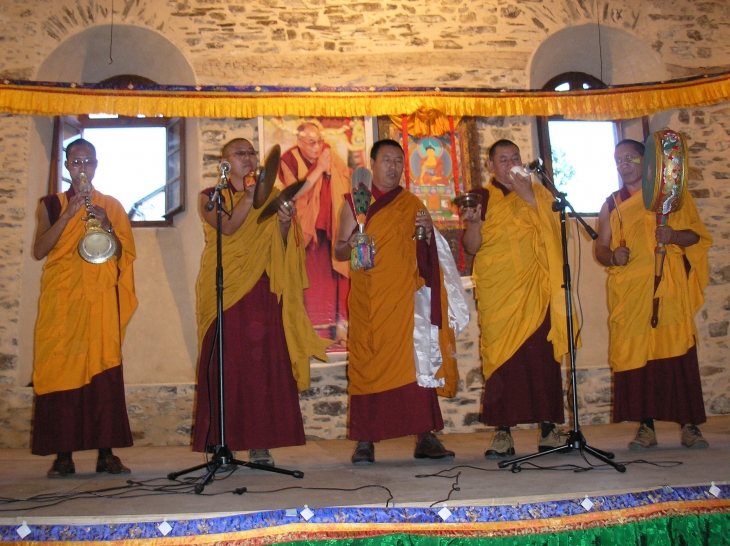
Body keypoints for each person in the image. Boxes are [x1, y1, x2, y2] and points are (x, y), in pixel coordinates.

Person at [193, 138, 329, 467]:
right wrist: (252, 196)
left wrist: (283, 224)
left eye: (252, 153)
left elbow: (283, 246)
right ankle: (220, 440)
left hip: (261, 288)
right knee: (225, 366)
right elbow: (227, 228)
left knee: (260, 368)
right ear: (224, 163)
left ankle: (260, 443)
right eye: (240, 154)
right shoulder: (211, 197)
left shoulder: (270, 196)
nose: (249, 158)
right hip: (225, 290)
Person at [334, 139, 462, 465]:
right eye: (386, 160)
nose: (393, 167)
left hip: (405, 301)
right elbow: (337, 250)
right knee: (366, 364)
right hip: (368, 300)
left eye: (398, 161)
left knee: (415, 363)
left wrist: (429, 232)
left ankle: (426, 437)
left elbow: (424, 250)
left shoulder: (412, 203)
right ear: (373, 164)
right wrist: (353, 242)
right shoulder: (354, 202)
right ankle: (365, 441)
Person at [595, 139, 712, 450]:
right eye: (618, 159)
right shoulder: (613, 203)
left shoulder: (671, 196)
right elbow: (600, 247)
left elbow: (695, 236)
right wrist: (612, 256)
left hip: (668, 286)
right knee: (638, 358)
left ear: (647, 163)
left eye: (630, 158)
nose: (623, 164)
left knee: (677, 353)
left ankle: (689, 427)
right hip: (632, 290)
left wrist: (673, 235)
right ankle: (645, 428)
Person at [460, 139, 573, 459]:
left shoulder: (539, 194)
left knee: (542, 357)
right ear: (491, 166)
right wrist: (473, 223)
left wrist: (527, 195)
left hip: (537, 288)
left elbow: (557, 234)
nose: (510, 165)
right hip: (500, 292)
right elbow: (471, 248)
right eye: (503, 160)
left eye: (515, 158)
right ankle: (502, 432)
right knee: (499, 361)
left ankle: (549, 429)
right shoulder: (481, 197)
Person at [31, 138, 137, 477]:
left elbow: (123, 254)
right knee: (61, 370)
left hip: (99, 302)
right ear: (66, 166)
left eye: (88, 162)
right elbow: (39, 250)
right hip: (61, 303)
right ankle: (63, 457)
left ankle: (106, 454)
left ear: (95, 165)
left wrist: (106, 224)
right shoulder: (49, 204)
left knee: (102, 371)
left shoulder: (112, 205)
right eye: (76, 162)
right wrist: (68, 215)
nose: (82, 168)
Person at [278, 120, 351, 345]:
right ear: (299, 142)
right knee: (310, 283)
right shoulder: (288, 160)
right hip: (306, 232)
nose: (316, 147)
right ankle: (311, 335)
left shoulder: (329, 154)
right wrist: (319, 169)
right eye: (311, 143)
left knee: (337, 278)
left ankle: (340, 332)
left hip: (331, 229)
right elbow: (294, 193)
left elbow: (345, 180)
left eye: (319, 141)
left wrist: (332, 174)